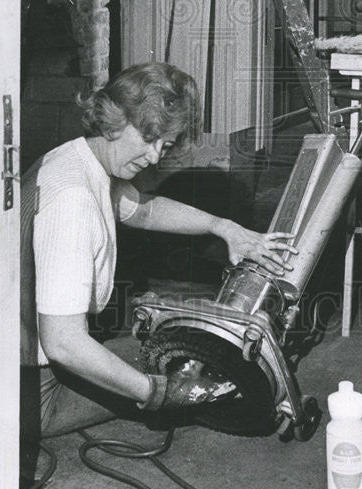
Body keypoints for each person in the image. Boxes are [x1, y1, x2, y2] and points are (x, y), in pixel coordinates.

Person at [20, 61, 296, 454]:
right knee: (200, 366)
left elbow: (144, 209)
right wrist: (155, 392)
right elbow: (64, 343)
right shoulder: (73, 201)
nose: (153, 158)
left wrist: (224, 227)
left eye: (163, 145)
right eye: (148, 137)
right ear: (114, 119)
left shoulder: (80, 160)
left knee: (193, 355)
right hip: (34, 393)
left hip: (24, 366)